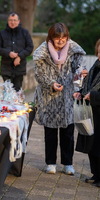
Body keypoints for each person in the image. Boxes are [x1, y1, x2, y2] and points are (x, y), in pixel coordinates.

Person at [33, 22, 86, 175]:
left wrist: (80, 74)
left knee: (68, 133)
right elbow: (39, 74)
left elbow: (78, 68)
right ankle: (50, 163)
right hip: (49, 98)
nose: (61, 41)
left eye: (63, 38)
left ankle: (68, 163)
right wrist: (51, 84)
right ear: (51, 38)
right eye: (57, 38)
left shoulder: (74, 50)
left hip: (68, 97)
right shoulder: (42, 52)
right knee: (50, 133)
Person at [75, 39, 100, 186]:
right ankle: (95, 174)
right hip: (92, 112)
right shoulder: (95, 67)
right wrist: (80, 93)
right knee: (92, 145)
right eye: (99, 52)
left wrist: (94, 96)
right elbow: (87, 86)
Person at [0, 12, 34, 92]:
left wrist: (20, 56)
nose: (12, 22)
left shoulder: (25, 33)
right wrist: (8, 53)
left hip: (19, 67)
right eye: (10, 20)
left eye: (15, 20)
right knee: (7, 92)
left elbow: (30, 47)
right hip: (6, 68)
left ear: (19, 21)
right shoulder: (2, 33)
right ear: (8, 21)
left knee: (17, 92)